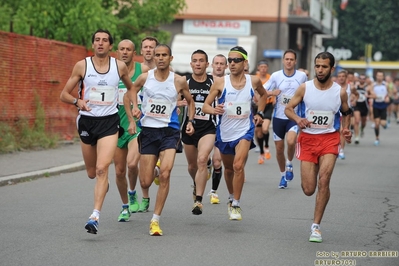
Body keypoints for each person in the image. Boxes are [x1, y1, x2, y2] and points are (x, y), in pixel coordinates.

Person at [60, 29, 135, 234]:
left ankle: (95, 216)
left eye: (104, 40)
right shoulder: (82, 66)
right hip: (87, 122)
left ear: (111, 46)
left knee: (103, 168)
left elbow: (131, 88)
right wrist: (78, 101)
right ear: (93, 44)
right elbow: (64, 94)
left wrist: (133, 108)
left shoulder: (118, 66)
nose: (100, 43)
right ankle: (103, 183)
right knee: (93, 173)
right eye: (97, 40)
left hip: (109, 123)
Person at [125, 44, 195, 236]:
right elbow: (130, 91)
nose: (161, 58)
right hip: (148, 131)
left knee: (166, 173)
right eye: (158, 55)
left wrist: (190, 121)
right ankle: (154, 169)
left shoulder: (179, 80)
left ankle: (155, 220)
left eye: (164, 55)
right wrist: (135, 107)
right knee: (146, 182)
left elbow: (190, 100)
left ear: (170, 58)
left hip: (170, 131)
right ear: (154, 58)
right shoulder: (145, 77)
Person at [284, 51, 352, 243]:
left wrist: (345, 130)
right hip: (307, 140)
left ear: (332, 69)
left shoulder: (340, 91)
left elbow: (347, 112)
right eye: (317, 66)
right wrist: (298, 119)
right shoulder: (304, 88)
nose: (320, 70)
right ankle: (319, 192)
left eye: (324, 66)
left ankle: (316, 226)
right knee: (308, 188)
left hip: (329, 139)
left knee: (324, 180)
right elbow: (288, 108)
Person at [202, 46, 267, 221]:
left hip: (244, 130)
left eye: (236, 60)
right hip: (225, 132)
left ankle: (236, 204)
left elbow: (264, 95)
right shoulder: (221, 82)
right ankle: (231, 196)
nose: (231, 63)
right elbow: (205, 106)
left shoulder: (253, 81)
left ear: (245, 62)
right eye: (229, 60)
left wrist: (260, 113)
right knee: (229, 169)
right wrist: (214, 109)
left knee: (238, 166)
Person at [114, 40, 152, 222]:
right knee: (119, 171)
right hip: (114, 127)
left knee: (131, 164)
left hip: (136, 124)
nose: (125, 52)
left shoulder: (143, 70)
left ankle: (132, 193)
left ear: (134, 52)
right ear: (116, 52)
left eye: (128, 50)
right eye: (121, 49)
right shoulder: (110, 71)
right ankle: (124, 205)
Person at [263, 49, 307, 188]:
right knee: (279, 149)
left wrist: (305, 115)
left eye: (291, 59)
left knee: (291, 140)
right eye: (286, 59)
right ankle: (283, 176)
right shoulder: (276, 76)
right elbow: (262, 90)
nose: (289, 61)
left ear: (295, 61)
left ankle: (289, 163)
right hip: (279, 117)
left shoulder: (302, 76)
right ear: (283, 61)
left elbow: (307, 94)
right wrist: (272, 93)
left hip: (293, 117)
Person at [182, 50, 218, 214]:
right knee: (192, 166)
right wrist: (180, 103)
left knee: (202, 159)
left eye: (201, 60)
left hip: (208, 128)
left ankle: (198, 201)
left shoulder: (214, 82)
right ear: (191, 64)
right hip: (188, 128)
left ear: (206, 64)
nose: (197, 63)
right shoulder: (184, 82)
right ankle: (197, 182)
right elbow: (170, 99)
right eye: (194, 61)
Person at [254, 60, 273, 164]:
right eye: (261, 67)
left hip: (268, 105)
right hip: (256, 106)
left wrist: (272, 95)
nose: (263, 69)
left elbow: (275, 90)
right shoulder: (255, 78)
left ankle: (266, 146)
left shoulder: (271, 78)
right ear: (258, 68)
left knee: (265, 128)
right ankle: (261, 152)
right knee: (258, 132)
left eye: (265, 67)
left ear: (267, 68)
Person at [369, 70, 390, 146]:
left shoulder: (386, 85)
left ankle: (385, 124)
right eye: (378, 76)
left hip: (383, 105)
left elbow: (389, 94)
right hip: (376, 105)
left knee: (383, 123)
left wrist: (388, 98)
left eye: (381, 76)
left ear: (383, 77)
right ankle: (377, 138)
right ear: (376, 76)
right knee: (377, 123)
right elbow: (369, 93)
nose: (379, 77)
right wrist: (372, 95)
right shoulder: (373, 85)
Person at [335, 70, 351, 159]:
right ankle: (335, 147)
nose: (341, 78)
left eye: (343, 76)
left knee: (342, 131)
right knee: (336, 132)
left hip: (345, 113)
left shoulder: (350, 87)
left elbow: (356, 94)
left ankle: (341, 150)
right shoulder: (334, 87)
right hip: (336, 112)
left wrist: (353, 99)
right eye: (339, 76)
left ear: (346, 78)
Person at [353, 74, 370, 143]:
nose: (362, 80)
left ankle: (362, 129)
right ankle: (357, 137)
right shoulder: (355, 86)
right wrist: (353, 99)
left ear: (365, 80)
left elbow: (374, 95)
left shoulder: (368, 87)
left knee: (363, 122)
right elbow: (351, 94)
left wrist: (368, 95)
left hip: (365, 106)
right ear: (358, 79)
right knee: (357, 121)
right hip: (357, 105)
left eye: (363, 78)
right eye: (361, 78)